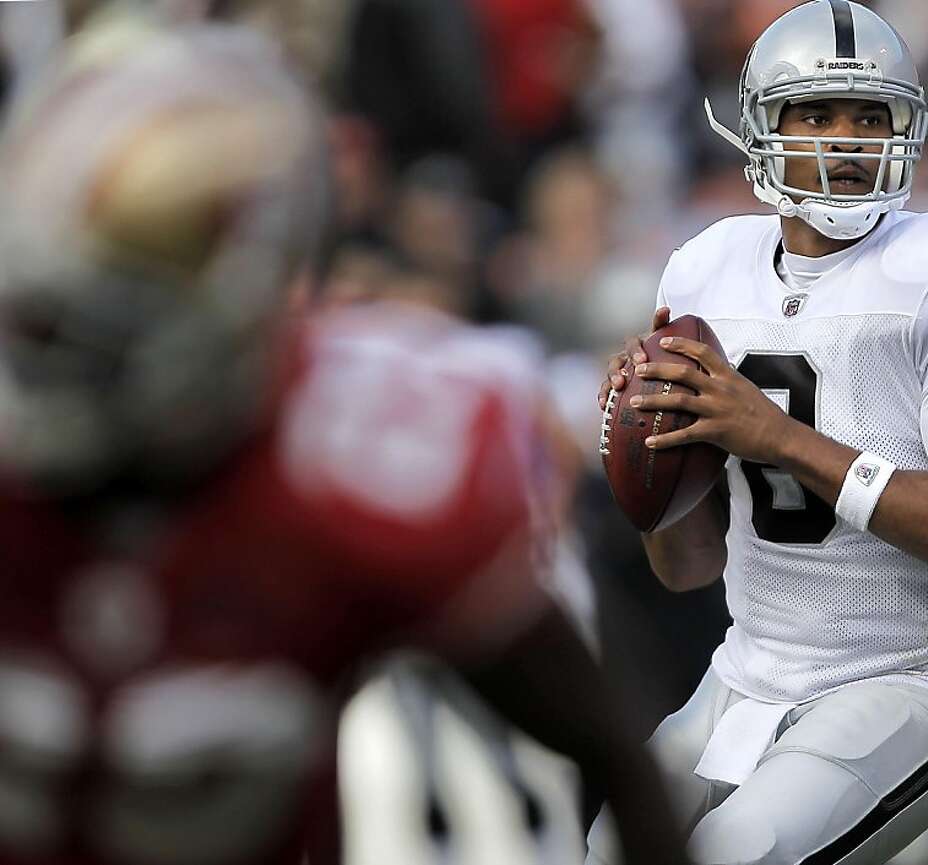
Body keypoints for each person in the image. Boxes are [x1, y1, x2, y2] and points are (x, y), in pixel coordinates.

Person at [0, 18, 684, 865]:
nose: (41, 363)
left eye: (88, 331)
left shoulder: (369, 466)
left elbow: (611, 747)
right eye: (28, 319)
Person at [589, 2, 928, 863]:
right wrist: (650, 439)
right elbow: (688, 565)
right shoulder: (706, 268)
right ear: (761, 127)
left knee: (736, 855)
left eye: (870, 116)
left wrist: (776, 437)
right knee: (610, 844)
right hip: (747, 676)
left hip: (915, 681)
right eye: (816, 114)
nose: (847, 140)